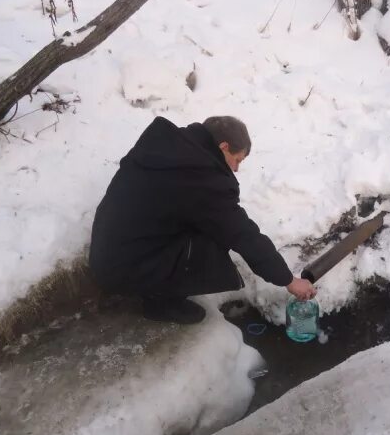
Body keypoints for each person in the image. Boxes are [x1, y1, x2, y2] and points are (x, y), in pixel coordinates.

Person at [89, 115, 316, 324]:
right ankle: (159, 303)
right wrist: (288, 280)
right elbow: (242, 234)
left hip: (108, 251)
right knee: (214, 238)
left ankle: (153, 284)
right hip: (124, 268)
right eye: (236, 160)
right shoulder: (202, 180)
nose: (236, 169)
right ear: (223, 146)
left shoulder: (169, 147)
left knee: (208, 225)